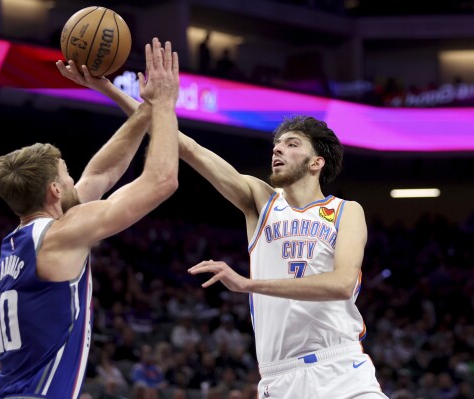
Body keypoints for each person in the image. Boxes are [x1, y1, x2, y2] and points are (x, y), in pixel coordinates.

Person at [57, 63, 387, 398]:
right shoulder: (261, 201)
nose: (277, 149)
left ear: (316, 163)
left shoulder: (346, 211)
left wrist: (248, 284)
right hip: (280, 377)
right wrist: (109, 90)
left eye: (291, 144)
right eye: (276, 144)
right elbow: (186, 146)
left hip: (342, 368)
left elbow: (343, 284)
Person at [0, 37, 179, 398]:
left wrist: (141, 108)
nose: (74, 178)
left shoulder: (23, 240)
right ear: (55, 192)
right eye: (65, 173)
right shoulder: (61, 235)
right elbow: (161, 181)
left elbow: (100, 177)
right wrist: (166, 103)